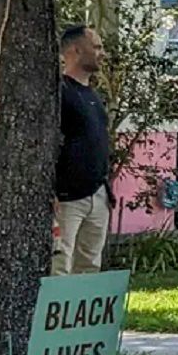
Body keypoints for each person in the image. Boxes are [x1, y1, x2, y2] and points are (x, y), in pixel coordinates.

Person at [53, 24, 113, 276]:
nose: (102, 53)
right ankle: (56, 314)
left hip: (97, 193)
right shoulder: (60, 92)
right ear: (76, 50)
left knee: (90, 264)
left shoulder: (93, 96)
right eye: (96, 46)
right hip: (66, 198)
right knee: (60, 262)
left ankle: (84, 316)